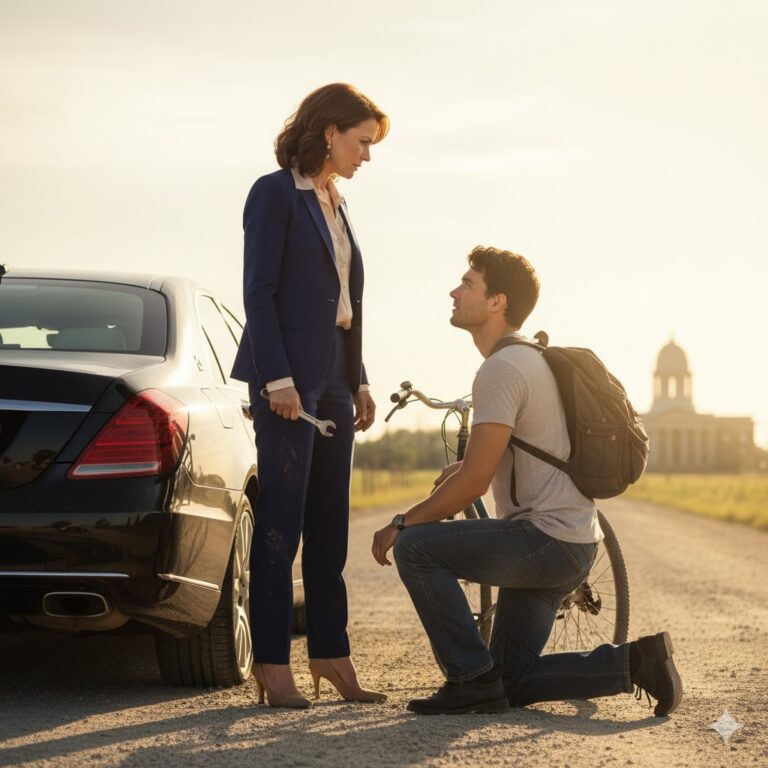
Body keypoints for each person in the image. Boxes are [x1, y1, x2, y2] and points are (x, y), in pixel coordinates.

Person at [371, 246, 683, 717]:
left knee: (415, 546)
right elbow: (508, 455)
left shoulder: (501, 368)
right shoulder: (528, 359)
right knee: (510, 682)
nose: (454, 292)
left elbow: (476, 482)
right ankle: (638, 662)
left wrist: (401, 521)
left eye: (468, 283)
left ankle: (468, 679)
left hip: (544, 541)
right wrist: (462, 471)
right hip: (571, 543)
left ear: (497, 302)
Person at [231, 83, 389, 708]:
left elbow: (342, 304)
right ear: (330, 132)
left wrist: (360, 378)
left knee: (330, 528)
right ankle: (272, 665)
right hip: (288, 383)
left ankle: (331, 654)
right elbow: (260, 293)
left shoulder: (336, 203)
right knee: (282, 526)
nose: (367, 157)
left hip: (334, 382)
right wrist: (277, 380)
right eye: (362, 143)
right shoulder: (274, 195)